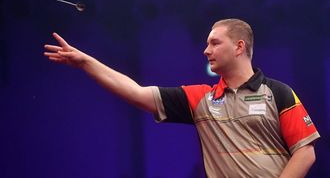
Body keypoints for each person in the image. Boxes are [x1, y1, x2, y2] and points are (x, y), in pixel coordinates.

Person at [44, 18, 320, 177]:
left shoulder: (279, 92)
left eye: (214, 42)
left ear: (239, 47)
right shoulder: (201, 98)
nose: (205, 50)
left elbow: (305, 153)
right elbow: (136, 92)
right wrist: (86, 62)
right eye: (206, 43)